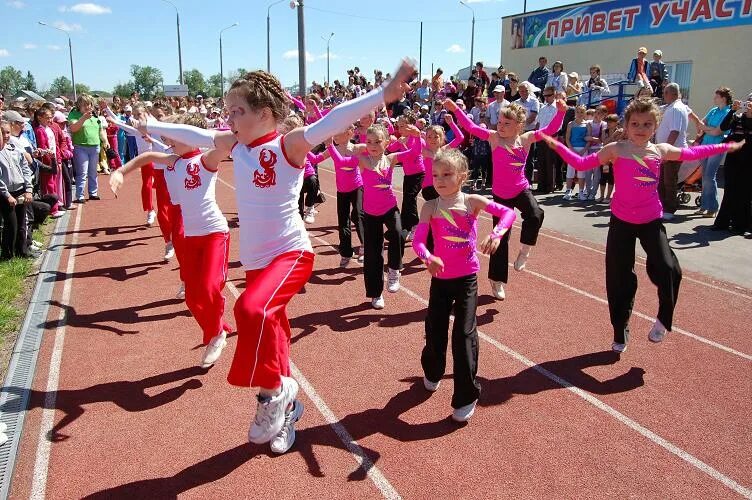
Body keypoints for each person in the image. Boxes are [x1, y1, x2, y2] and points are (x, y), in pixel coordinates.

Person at [138, 61, 415, 454]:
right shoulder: (234, 146)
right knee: (274, 330)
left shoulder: (288, 145)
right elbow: (195, 135)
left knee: (251, 311)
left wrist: (382, 94)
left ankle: (273, 395)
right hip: (255, 261)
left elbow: (333, 120)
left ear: (264, 114)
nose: (229, 119)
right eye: (228, 111)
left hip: (290, 253)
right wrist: (154, 127)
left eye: (238, 112)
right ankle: (288, 411)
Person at [538, 99, 743, 353]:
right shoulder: (616, 149)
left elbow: (691, 153)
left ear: (655, 126)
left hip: (650, 221)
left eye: (647, 124)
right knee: (618, 278)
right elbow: (582, 164)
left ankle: (663, 320)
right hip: (621, 221)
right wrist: (556, 144)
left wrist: (725, 146)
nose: (640, 128)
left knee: (669, 269)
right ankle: (620, 330)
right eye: (635, 123)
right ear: (626, 125)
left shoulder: (661, 150)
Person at [110, 113, 231, 367]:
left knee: (210, 287)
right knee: (191, 296)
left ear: (192, 138)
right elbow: (147, 157)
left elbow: (224, 144)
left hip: (214, 233)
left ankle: (216, 332)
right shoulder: (172, 161)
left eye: (176, 136)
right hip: (190, 236)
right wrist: (121, 172)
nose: (168, 139)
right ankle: (217, 330)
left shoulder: (206, 159)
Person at [412, 148, 516, 422]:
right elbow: (418, 242)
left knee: (464, 334)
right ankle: (433, 371)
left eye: (447, 174)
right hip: (440, 280)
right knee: (434, 330)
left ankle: (466, 396)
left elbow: (507, 214)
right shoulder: (430, 206)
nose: (440, 180)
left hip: (467, 278)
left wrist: (496, 234)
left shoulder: (472, 201)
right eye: (436, 175)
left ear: (462, 176)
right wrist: (428, 257)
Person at [444, 96, 565, 300]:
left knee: (535, 214)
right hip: (500, 195)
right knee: (500, 237)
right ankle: (497, 280)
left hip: (521, 189)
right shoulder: (494, 138)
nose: (500, 126)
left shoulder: (526, 139)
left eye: (506, 124)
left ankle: (525, 251)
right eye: (499, 122)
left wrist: (561, 112)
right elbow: (471, 127)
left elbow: (550, 130)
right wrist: (456, 110)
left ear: (519, 126)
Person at [329, 121, 421, 309]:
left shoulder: (392, 158)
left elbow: (413, 154)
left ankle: (395, 269)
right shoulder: (362, 160)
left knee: (397, 232)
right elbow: (341, 161)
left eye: (377, 142)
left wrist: (418, 137)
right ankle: (376, 294)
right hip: (370, 213)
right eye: (369, 142)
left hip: (389, 208)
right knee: (373, 255)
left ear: (386, 143)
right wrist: (328, 144)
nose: (372, 146)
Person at [325, 124, 367, 266]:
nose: (335, 135)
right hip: (341, 190)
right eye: (334, 133)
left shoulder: (357, 148)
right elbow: (316, 159)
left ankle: (365, 246)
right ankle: (346, 253)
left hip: (356, 187)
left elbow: (376, 146)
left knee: (358, 215)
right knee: (343, 222)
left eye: (338, 132)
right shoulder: (334, 150)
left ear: (349, 133)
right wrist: (303, 151)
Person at [714, 94, 752, 234]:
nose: (749, 104)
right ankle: (723, 222)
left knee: (744, 192)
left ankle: (740, 225)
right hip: (734, 158)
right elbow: (724, 127)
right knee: (729, 189)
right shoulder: (738, 117)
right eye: (748, 101)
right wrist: (732, 110)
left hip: (748, 160)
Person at [0, 121, 35, 260]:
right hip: (6, 193)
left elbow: (25, 169)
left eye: (8, 132)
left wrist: (29, 189)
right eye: (2, 133)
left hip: (21, 190)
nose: (6, 136)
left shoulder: (15, 149)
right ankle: (7, 255)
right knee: (11, 225)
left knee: (22, 223)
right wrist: (7, 195)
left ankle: (22, 251)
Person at [695, 87, 732, 218]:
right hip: (705, 145)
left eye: (716, 96)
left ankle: (713, 207)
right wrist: (708, 129)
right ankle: (704, 206)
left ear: (723, 98)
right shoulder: (713, 110)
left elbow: (718, 132)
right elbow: (700, 123)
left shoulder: (728, 113)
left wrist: (707, 129)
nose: (714, 99)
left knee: (709, 176)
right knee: (704, 177)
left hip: (716, 147)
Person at [655, 83, 689, 220]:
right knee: (662, 180)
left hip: (673, 151)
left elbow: (675, 131)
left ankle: (669, 208)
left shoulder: (676, 108)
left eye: (666, 92)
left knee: (669, 180)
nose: (663, 95)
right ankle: (661, 206)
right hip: (667, 151)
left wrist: (666, 151)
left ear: (673, 94)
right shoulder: (671, 107)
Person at [68, 94, 102, 203]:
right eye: (85, 105)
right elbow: (73, 128)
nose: (88, 107)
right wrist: (83, 118)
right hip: (80, 146)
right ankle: (80, 195)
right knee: (82, 172)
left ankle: (93, 193)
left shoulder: (95, 116)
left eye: (89, 104)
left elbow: (100, 130)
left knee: (93, 172)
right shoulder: (74, 114)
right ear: (79, 105)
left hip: (95, 146)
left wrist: (104, 141)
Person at [535, 86, 563, 193]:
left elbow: (559, 125)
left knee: (550, 162)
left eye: (548, 95)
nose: (546, 98)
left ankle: (550, 186)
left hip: (552, 136)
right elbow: (538, 123)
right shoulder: (542, 108)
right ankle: (541, 185)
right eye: (544, 95)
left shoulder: (557, 108)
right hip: (541, 136)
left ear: (554, 95)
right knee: (541, 161)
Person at [563, 105, 589, 201]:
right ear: (575, 113)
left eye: (582, 112)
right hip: (572, 150)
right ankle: (568, 191)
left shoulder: (587, 124)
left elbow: (588, 139)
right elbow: (567, 138)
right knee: (570, 171)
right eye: (578, 112)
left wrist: (583, 150)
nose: (579, 114)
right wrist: (572, 150)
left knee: (581, 172)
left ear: (585, 113)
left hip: (583, 151)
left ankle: (581, 192)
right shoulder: (570, 124)